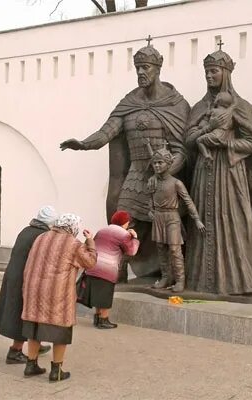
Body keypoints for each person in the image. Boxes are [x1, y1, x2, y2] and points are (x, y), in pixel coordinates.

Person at [60, 42, 190, 278]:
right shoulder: (129, 104)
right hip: (135, 176)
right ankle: (113, 274)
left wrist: (165, 174)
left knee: (168, 234)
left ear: (158, 69)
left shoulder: (176, 105)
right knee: (122, 226)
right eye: (138, 67)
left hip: (164, 178)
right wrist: (84, 144)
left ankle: (173, 276)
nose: (141, 72)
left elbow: (182, 150)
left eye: (146, 67)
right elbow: (106, 132)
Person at [184, 50, 252, 295]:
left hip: (230, 174)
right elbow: (188, 140)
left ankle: (242, 281)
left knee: (233, 220)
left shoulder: (241, 107)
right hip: (203, 173)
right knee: (203, 222)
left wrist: (226, 144)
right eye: (207, 71)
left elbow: (251, 143)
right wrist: (203, 132)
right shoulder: (200, 107)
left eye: (214, 71)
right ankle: (201, 281)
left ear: (226, 73)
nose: (209, 76)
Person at [20, 213, 97, 382]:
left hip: (34, 289)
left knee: (35, 326)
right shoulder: (73, 244)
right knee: (60, 330)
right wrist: (90, 241)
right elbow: (90, 262)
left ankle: (30, 364)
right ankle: (57, 371)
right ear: (73, 228)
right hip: (57, 293)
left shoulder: (41, 237)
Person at [0, 206, 58, 364]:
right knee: (21, 312)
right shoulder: (42, 235)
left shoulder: (27, 230)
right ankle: (15, 351)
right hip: (24, 278)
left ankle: (36, 345)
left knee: (26, 311)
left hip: (14, 275)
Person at [147, 146, 205, 292]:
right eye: (155, 163)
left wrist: (196, 219)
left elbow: (188, 201)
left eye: (160, 162)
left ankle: (180, 280)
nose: (157, 165)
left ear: (168, 163)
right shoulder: (152, 181)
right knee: (161, 249)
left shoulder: (176, 183)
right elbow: (149, 198)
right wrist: (150, 210)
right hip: (158, 217)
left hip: (172, 217)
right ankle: (166, 277)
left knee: (174, 249)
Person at [79, 210, 139, 329]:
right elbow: (132, 251)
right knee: (105, 295)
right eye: (127, 222)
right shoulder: (124, 234)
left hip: (93, 265)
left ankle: (97, 318)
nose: (128, 224)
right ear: (124, 223)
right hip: (107, 269)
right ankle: (103, 320)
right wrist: (135, 238)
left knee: (98, 294)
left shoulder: (102, 230)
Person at [194, 92, 237, 162]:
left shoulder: (214, 111)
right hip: (225, 135)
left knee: (199, 141)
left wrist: (209, 106)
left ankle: (207, 155)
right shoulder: (229, 113)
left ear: (218, 100)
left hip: (216, 134)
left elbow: (204, 123)